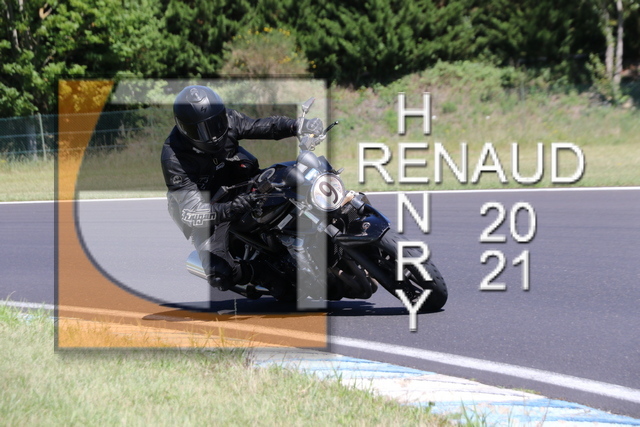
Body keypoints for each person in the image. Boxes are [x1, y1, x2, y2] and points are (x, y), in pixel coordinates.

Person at [161, 85, 323, 292]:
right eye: (199, 130)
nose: (212, 135)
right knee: (218, 273)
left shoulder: (228, 119)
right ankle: (265, 274)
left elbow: (262, 126)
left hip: (245, 182)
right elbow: (192, 212)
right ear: (183, 128)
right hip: (211, 208)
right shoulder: (173, 158)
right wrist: (230, 209)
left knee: (297, 178)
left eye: (216, 124)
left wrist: (297, 125)